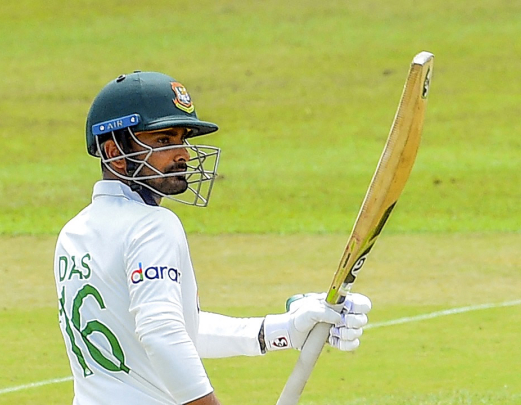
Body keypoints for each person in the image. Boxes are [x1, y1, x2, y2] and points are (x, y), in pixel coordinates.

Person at [54, 71, 372, 405]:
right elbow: (162, 333)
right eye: (163, 140)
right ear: (115, 153)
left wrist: (280, 331)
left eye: (182, 139)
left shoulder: (74, 233)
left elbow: (173, 327)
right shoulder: (152, 225)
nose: (183, 154)